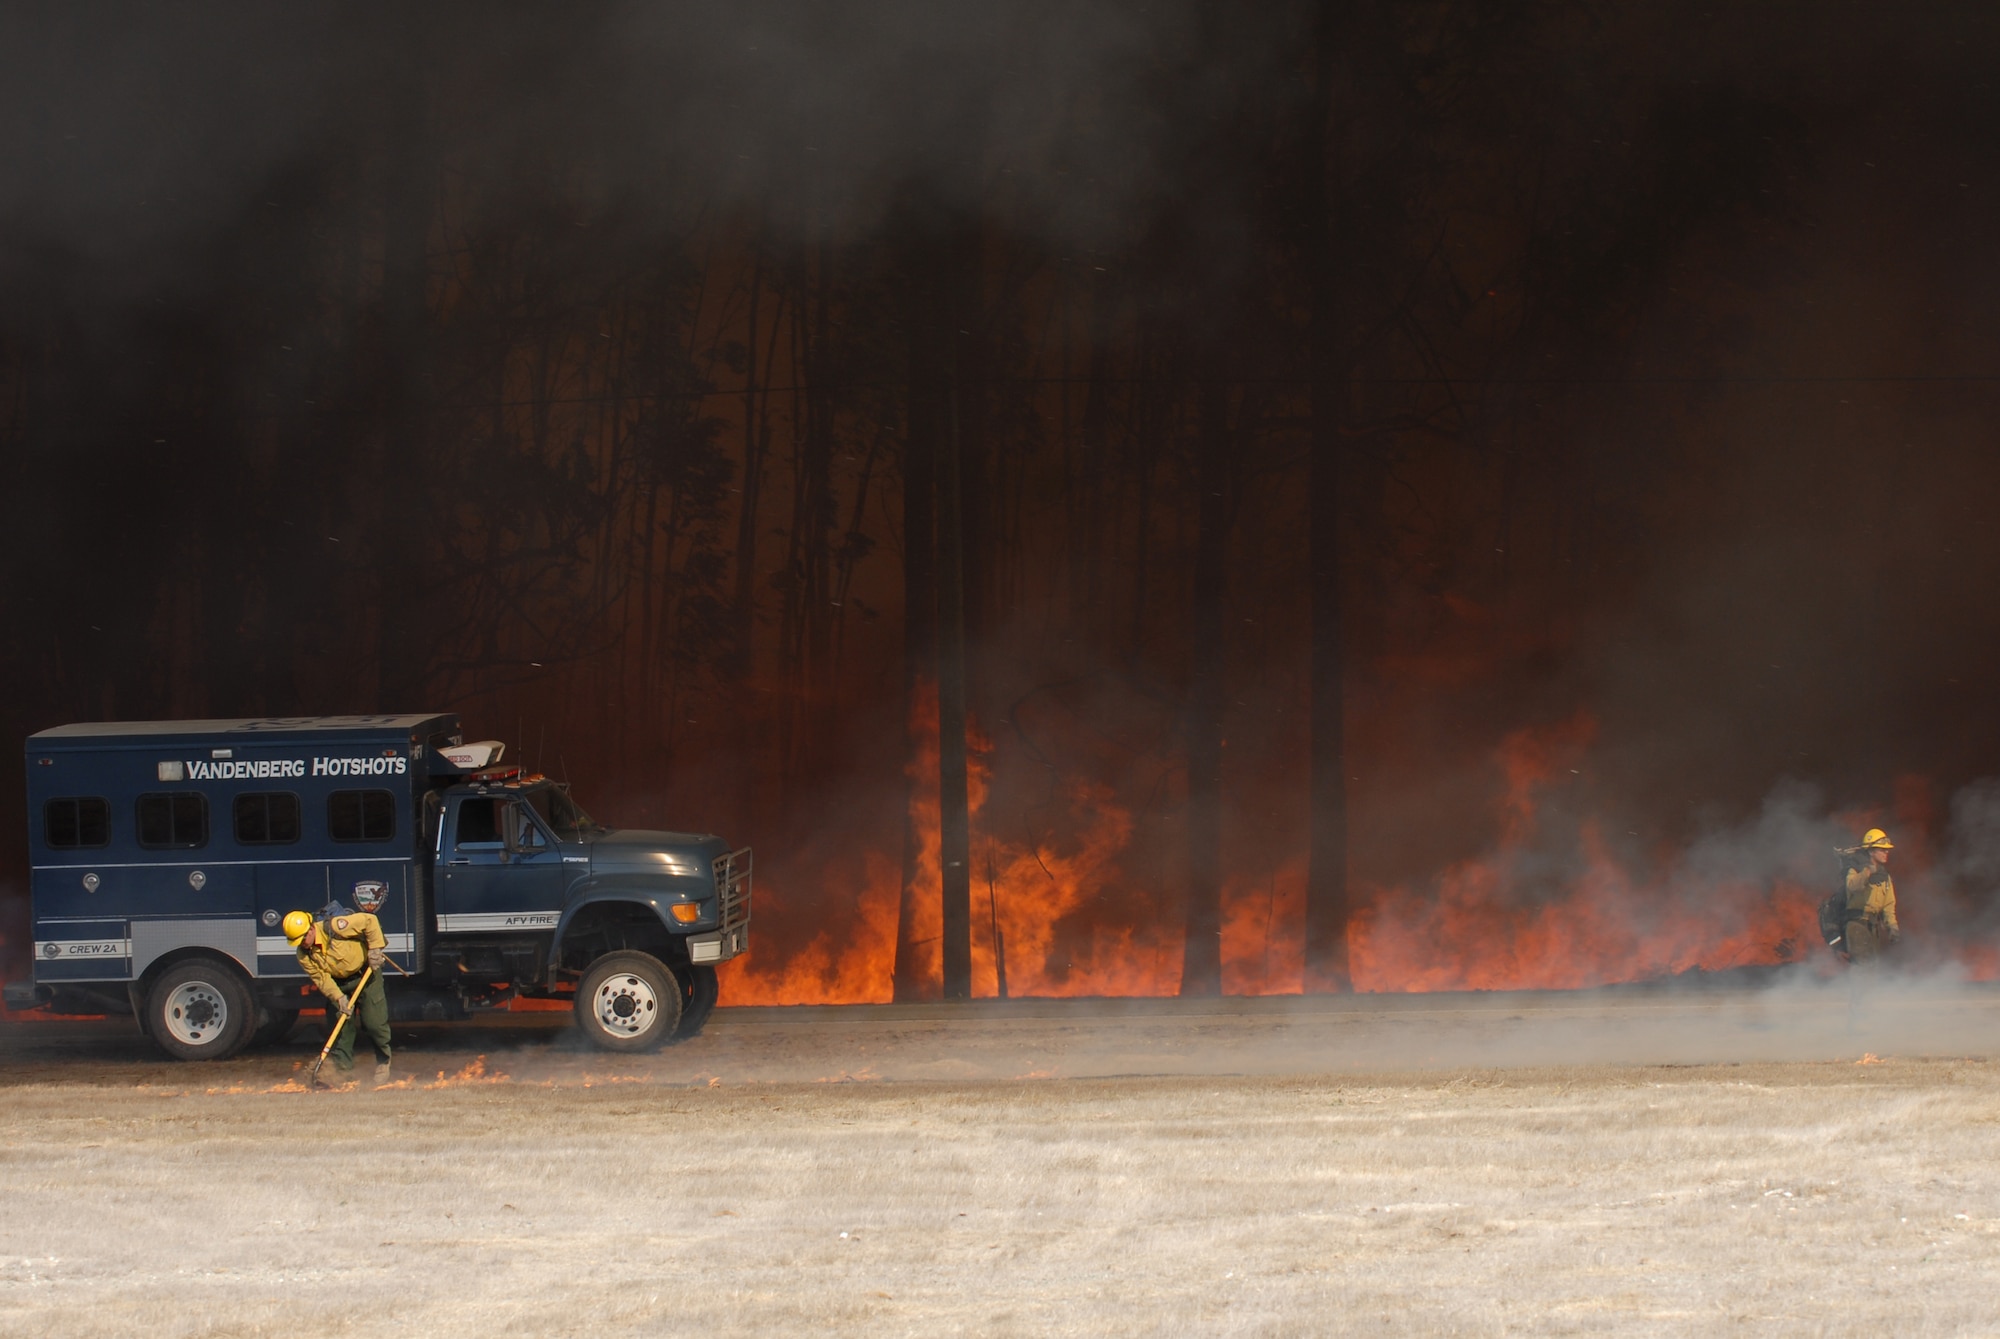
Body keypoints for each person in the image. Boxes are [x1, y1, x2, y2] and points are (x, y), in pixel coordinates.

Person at [282, 908, 392, 1080]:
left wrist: (375, 949)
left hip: (365, 974)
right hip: (338, 984)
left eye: (302, 938)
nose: (301, 944)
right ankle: (343, 1072)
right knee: (340, 1026)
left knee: (373, 1023)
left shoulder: (335, 927)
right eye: (296, 941)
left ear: (311, 929)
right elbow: (321, 978)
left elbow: (369, 920)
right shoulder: (303, 954)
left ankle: (383, 1062)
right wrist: (339, 998)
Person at [1841, 827, 1900, 966]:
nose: (1886, 852)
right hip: (1857, 925)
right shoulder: (1855, 869)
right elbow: (1852, 886)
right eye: (1882, 849)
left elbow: (1888, 905)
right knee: (1863, 968)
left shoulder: (1884, 876)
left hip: (1873, 927)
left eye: (1887, 849)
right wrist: (1867, 872)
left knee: (1873, 967)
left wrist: (1892, 927)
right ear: (1871, 851)